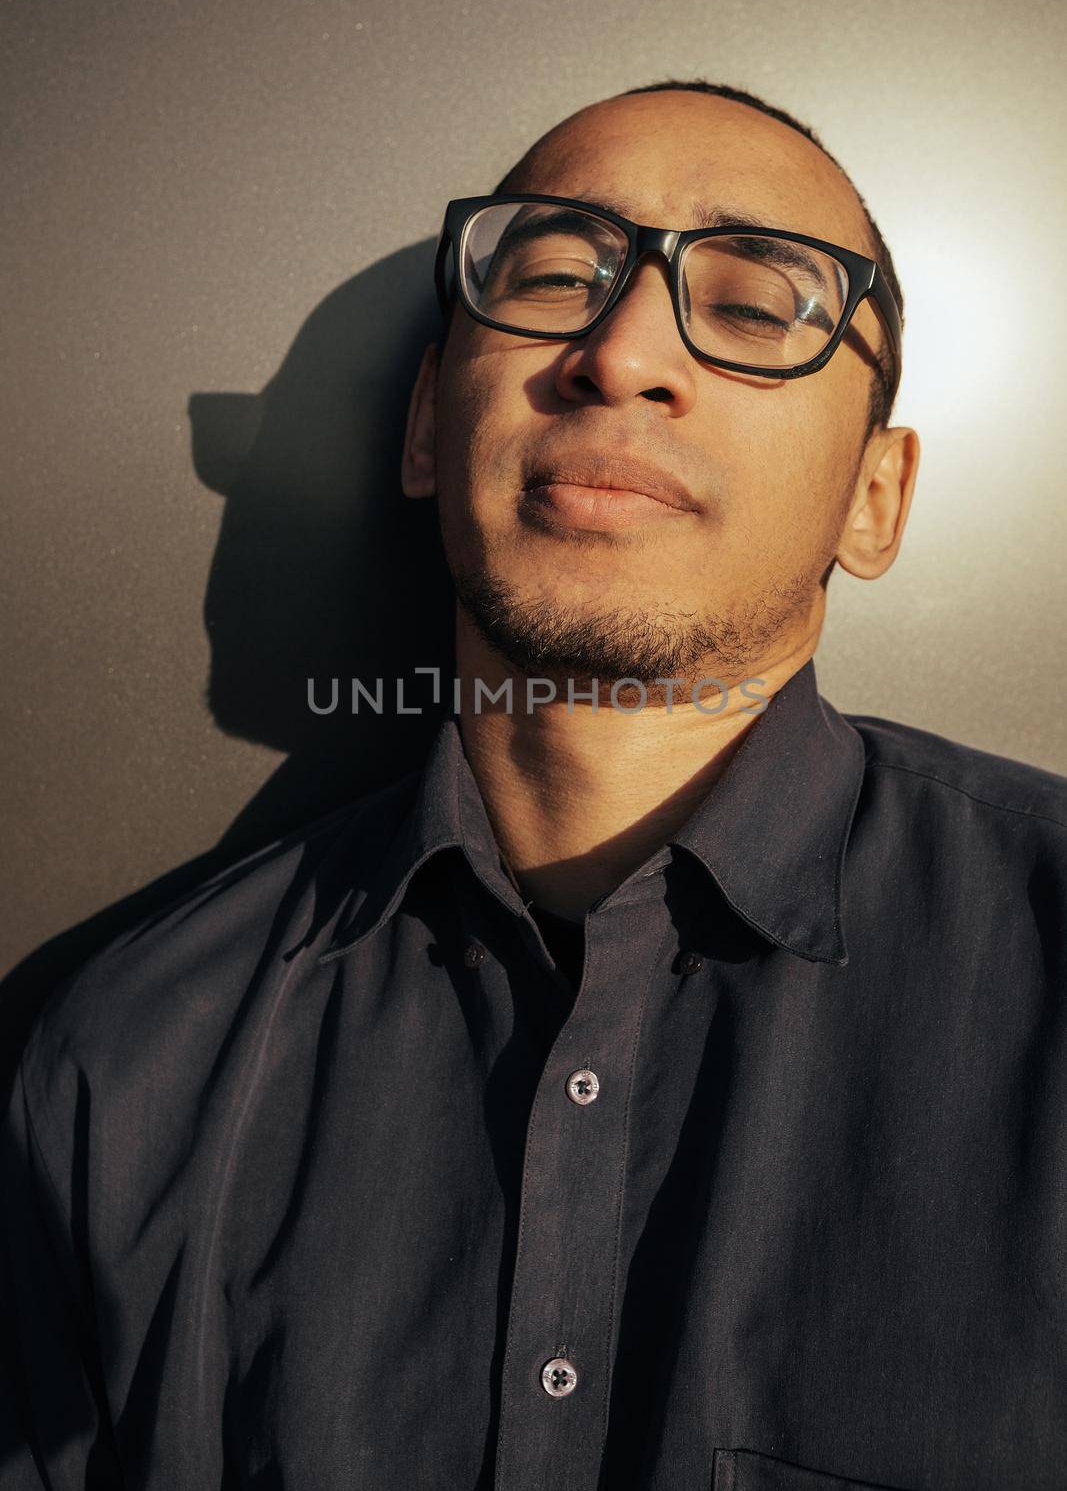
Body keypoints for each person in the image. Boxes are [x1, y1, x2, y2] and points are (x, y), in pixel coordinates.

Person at [3, 80, 1066, 1491]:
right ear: (430, 429)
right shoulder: (122, 1066)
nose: (622, 354)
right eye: (559, 277)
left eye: (756, 307)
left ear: (873, 500)